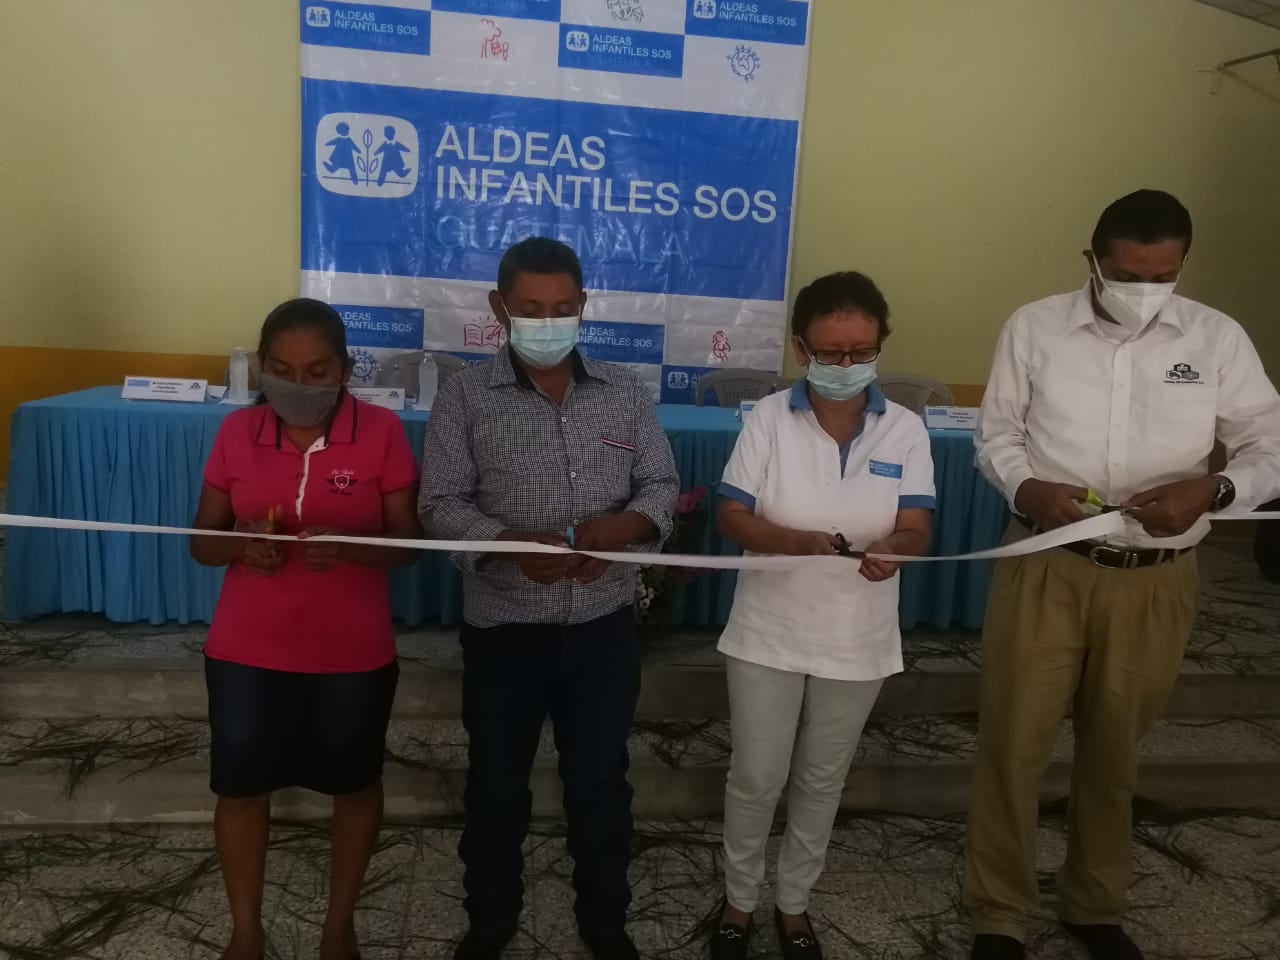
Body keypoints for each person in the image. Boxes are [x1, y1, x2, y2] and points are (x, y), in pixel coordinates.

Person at [965, 190, 1280, 960]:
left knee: (1115, 751)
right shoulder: (1035, 327)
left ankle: (1094, 905)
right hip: (1048, 564)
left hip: (1155, 579)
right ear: (1093, 261)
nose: (1145, 290)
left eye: (1163, 276)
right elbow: (996, 433)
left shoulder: (1216, 338)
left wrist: (1217, 489)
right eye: (1129, 275)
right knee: (1013, 745)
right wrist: (1026, 488)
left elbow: (1268, 443)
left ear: (1182, 265)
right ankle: (998, 913)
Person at [418, 237, 679, 960]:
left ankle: (605, 923)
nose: (547, 322)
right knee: (497, 784)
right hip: (504, 628)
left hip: (602, 626)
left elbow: (660, 485)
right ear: (499, 308)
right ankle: (490, 920)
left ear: (584, 305)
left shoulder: (625, 390)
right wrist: (505, 543)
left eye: (563, 308)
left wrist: (624, 528)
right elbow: (439, 503)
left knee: (599, 781)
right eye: (530, 309)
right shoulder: (466, 396)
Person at [709, 272, 935, 960]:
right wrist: (792, 541)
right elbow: (731, 515)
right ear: (800, 348)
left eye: (861, 351)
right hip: (768, 629)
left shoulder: (905, 429)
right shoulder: (768, 419)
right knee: (757, 777)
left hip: (857, 635)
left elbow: (917, 529)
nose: (845, 364)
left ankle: (794, 903)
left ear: (880, 344)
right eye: (830, 352)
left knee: (820, 779)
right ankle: (739, 900)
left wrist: (894, 550)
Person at [191, 298, 422, 960]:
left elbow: (411, 547)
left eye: (317, 371)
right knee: (240, 787)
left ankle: (338, 926)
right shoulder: (237, 433)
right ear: (261, 368)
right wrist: (240, 545)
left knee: (354, 784)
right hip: (245, 648)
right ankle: (245, 931)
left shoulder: (382, 432)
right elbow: (201, 544)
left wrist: (350, 545)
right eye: (282, 370)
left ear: (345, 370)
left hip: (351, 651)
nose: (298, 384)